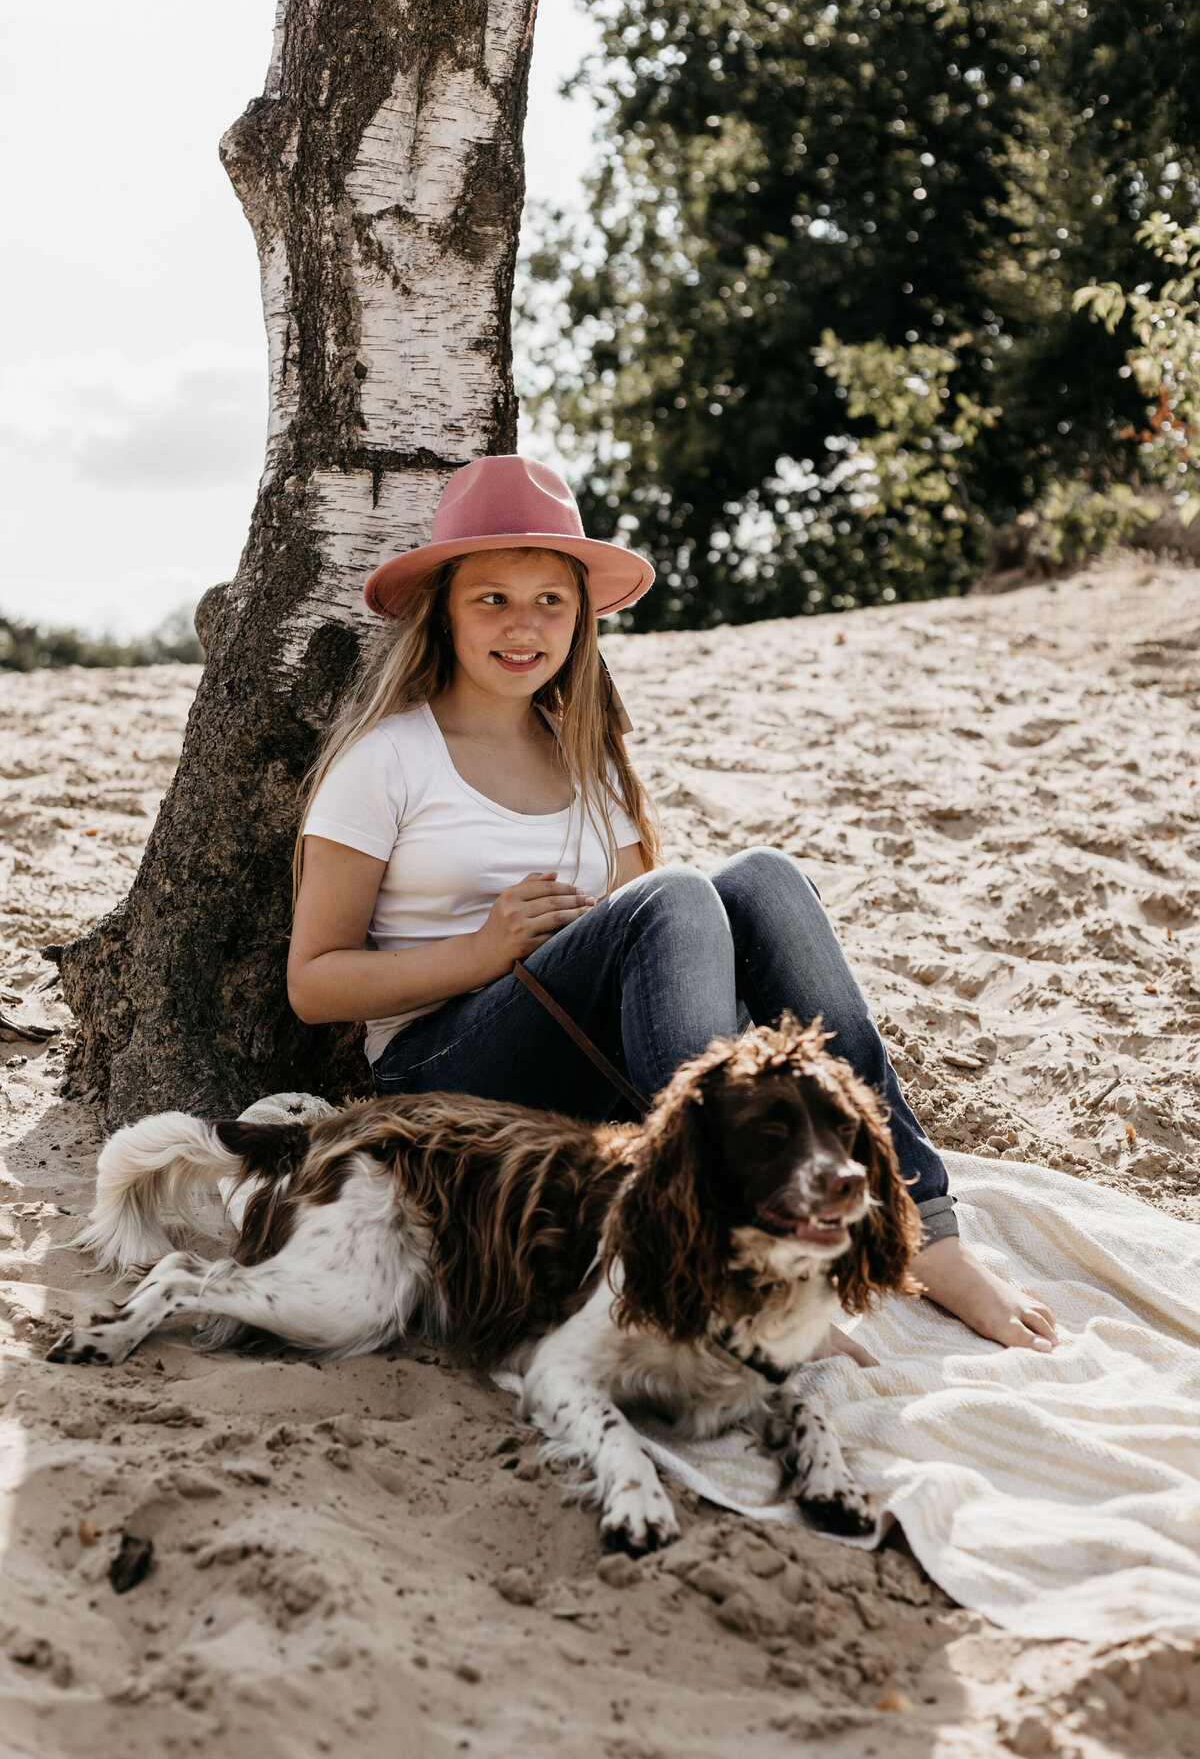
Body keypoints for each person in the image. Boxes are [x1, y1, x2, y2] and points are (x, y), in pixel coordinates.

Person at [287, 456, 1056, 1356]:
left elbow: (647, 968)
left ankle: (924, 1228)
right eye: (491, 599)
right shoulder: (387, 759)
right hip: (444, 1070)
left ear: (582, 620)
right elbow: (314, 983)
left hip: (581, 1060)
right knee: (677, 892)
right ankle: (735, 1266)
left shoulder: (584, 762)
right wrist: (482, 952)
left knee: (763, 877)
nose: (522, 625)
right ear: (445, 611)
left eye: (551, 602)